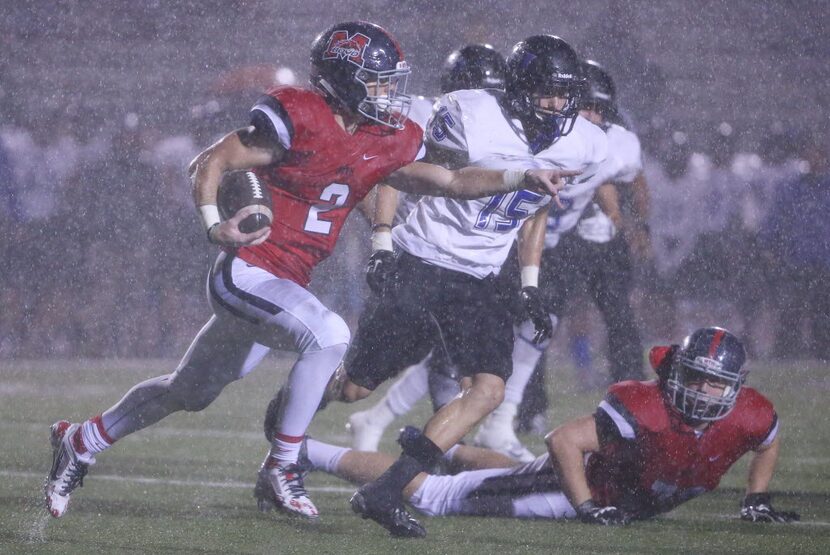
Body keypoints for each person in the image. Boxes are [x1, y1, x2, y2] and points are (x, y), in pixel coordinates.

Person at [44, 21, 574, 521]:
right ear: (345, 80)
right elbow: (210, 162)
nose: (389, 93)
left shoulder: (381, 137)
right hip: (247, 270)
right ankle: (284, 463)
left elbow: (452, 183)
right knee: (329, 335)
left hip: (286, 280)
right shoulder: (301, 113)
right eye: (377, 81)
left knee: (190, 391)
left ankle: (83, 439)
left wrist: (519, 175)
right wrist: (214, 226)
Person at [334, 35, 608, 537]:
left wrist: (529, 282)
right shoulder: (472, 115)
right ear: (521, 88)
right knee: (356, 386)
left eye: (565, 94)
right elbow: (396, 170)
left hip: (480, 275)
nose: (557, 105)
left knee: (488, 389)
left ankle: (387, 488)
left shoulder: (583, 142)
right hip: (424, 258)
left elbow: (537, 209)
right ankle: (290, 425)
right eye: (547, 92)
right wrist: (383, 242)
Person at [297, 327, 798, 530]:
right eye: (695, 379)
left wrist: (755, 497)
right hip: (576, 484)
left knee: (513, 470)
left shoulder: (751, 413)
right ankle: (302, 452)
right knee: (436, 497)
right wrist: (586, 507)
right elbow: (563, 440)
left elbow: (768, 442)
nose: (704, 392)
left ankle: (450, 450)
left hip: (614, 487)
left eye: (716, 385)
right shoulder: (647, 405)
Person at [474, 59, 649, 461]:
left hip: (545, 244)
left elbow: (614, 175)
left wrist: (621, 220)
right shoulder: (534, 134)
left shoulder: (616, 144)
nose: (593, 117)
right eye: (585, 105)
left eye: (600, 110)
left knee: (539, 324)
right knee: (468, 337)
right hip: (494, 238)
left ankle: (502, 421)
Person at [344, 43, 509, 452]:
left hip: (467, 266)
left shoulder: (507, 128)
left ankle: (438, 453)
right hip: (414, 255)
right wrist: (383, 234)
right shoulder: (421, 115)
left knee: (473, 377)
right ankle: (312, 415)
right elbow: (380, 173)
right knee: (357, 383)